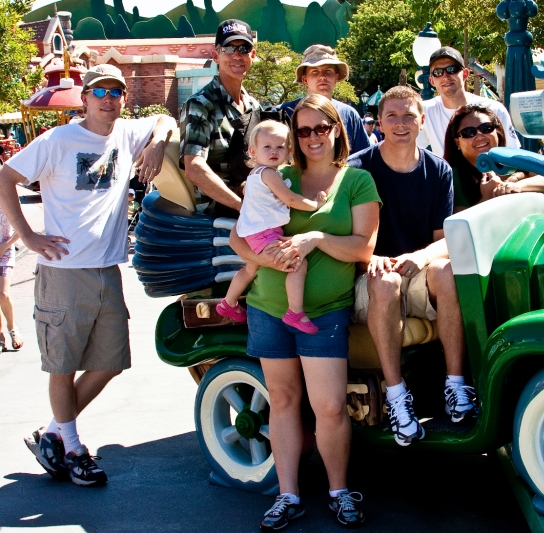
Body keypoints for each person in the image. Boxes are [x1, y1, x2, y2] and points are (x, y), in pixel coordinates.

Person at [0, 64, 176, 486]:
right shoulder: (57, 140)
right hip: (63, 270)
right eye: (99, 92)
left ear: (124, 98)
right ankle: (75, 449)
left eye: (115, 91)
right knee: (62, 366)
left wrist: (157, 143)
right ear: (85, 98)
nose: (108, 99)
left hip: (107, 269)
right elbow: (5, 176)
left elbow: (166, 117)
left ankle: (54, 432)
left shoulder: (127, 133)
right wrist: (28, 235)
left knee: (111, 362)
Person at [228, 94, 379, 530]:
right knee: (283, 401)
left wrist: (315, 238)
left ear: (336, 130)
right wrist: (266, 259)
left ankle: (338, 491)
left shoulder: (356, 180)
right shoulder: (276, 174)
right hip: (268, 307)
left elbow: (363, 248)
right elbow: (240, 236)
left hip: (325, 311)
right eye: (303, 129)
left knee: (329, 406)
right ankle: (288, 494)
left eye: (321, 127)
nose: (312, 136)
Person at [347, 86, 473, 446]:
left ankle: (456, 386)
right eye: (392, 116)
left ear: (422, 120)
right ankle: (397, 397)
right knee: (386, 283)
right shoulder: (357, 169)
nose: (400, 123)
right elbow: (345, 236)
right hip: (369, 275)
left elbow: (444, 239)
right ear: (379, 122)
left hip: (414, 272)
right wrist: (371, 259)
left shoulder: (439, 170)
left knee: (447, 271)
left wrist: (419, 258)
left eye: (408, 115)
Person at [216, 120, 327, 334]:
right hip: (264, 233)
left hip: (253, 233)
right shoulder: (268, 174)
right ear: (253, 151)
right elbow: (290, 199)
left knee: (250, 268)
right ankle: (295, 312)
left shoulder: (254, 175)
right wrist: (316, 204)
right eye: (267, 147)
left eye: (280, 147)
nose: (274, 151)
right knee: (297, 262)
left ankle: (228, 303)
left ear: (288, 151)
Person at [180, 19, 260, 216]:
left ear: (253, 55)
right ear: (216, 55)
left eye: (243, 49)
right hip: (218, 215)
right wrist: (241, 206)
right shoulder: (201, 104)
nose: (237, 55)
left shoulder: (254, 106)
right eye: (229, 48)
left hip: (254, 201)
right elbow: (194, 167)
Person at [442, 104, 544, 211]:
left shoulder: (515, 159)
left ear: (497, 132)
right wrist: (487, 197)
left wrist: (516, 186)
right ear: (457, 143)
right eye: (469, 132)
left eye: (486, 128)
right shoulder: (451, 177)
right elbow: (458, 224)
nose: (479, 136)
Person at [416, 47, 521, 158]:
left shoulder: (494, 109)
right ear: (431, 80)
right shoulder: (424, 112)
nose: (445, 76)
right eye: (438, 72)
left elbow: (513, 156)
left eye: (452, 69)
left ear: (465, 74)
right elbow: (411, 152)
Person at [280, 45, 370, 155]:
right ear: (304, 79)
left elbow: (365, 157)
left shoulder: (350, 115)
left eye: (328, 71)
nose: (322, 77)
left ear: (336, 77)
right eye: (315, 71)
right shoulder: (284, 113)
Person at [0, 203, 22, 352]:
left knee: (3, 294)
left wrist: (4, 246)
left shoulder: (7, 197)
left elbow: (22, 230)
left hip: (5, 252)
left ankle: (12, 327)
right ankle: (0, 335)